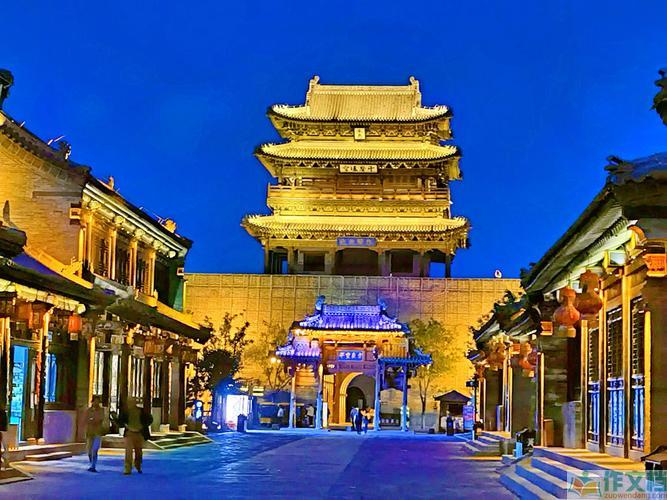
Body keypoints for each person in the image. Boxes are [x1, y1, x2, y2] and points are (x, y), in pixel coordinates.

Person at [118, 400, 153, 475]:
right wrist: (125, 424)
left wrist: (143, 426)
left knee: (138, 452)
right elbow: (120, 421)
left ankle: (138, 465)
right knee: (128, 452)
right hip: (129, 433)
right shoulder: (126, 412)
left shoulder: (141, 411)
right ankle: (128, 469)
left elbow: (150, 419)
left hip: (139, 433)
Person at [85, 396, 104, 472]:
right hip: (89, 433)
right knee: (89, 451)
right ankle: (91, 463)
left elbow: (100, 419)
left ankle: (93, 465)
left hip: (97, 432)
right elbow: (86, 419)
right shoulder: (88, 410)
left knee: (95, 450)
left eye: (97, 401)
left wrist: (93, 420)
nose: (96, 403)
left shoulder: (101, 410)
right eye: (95, 401)